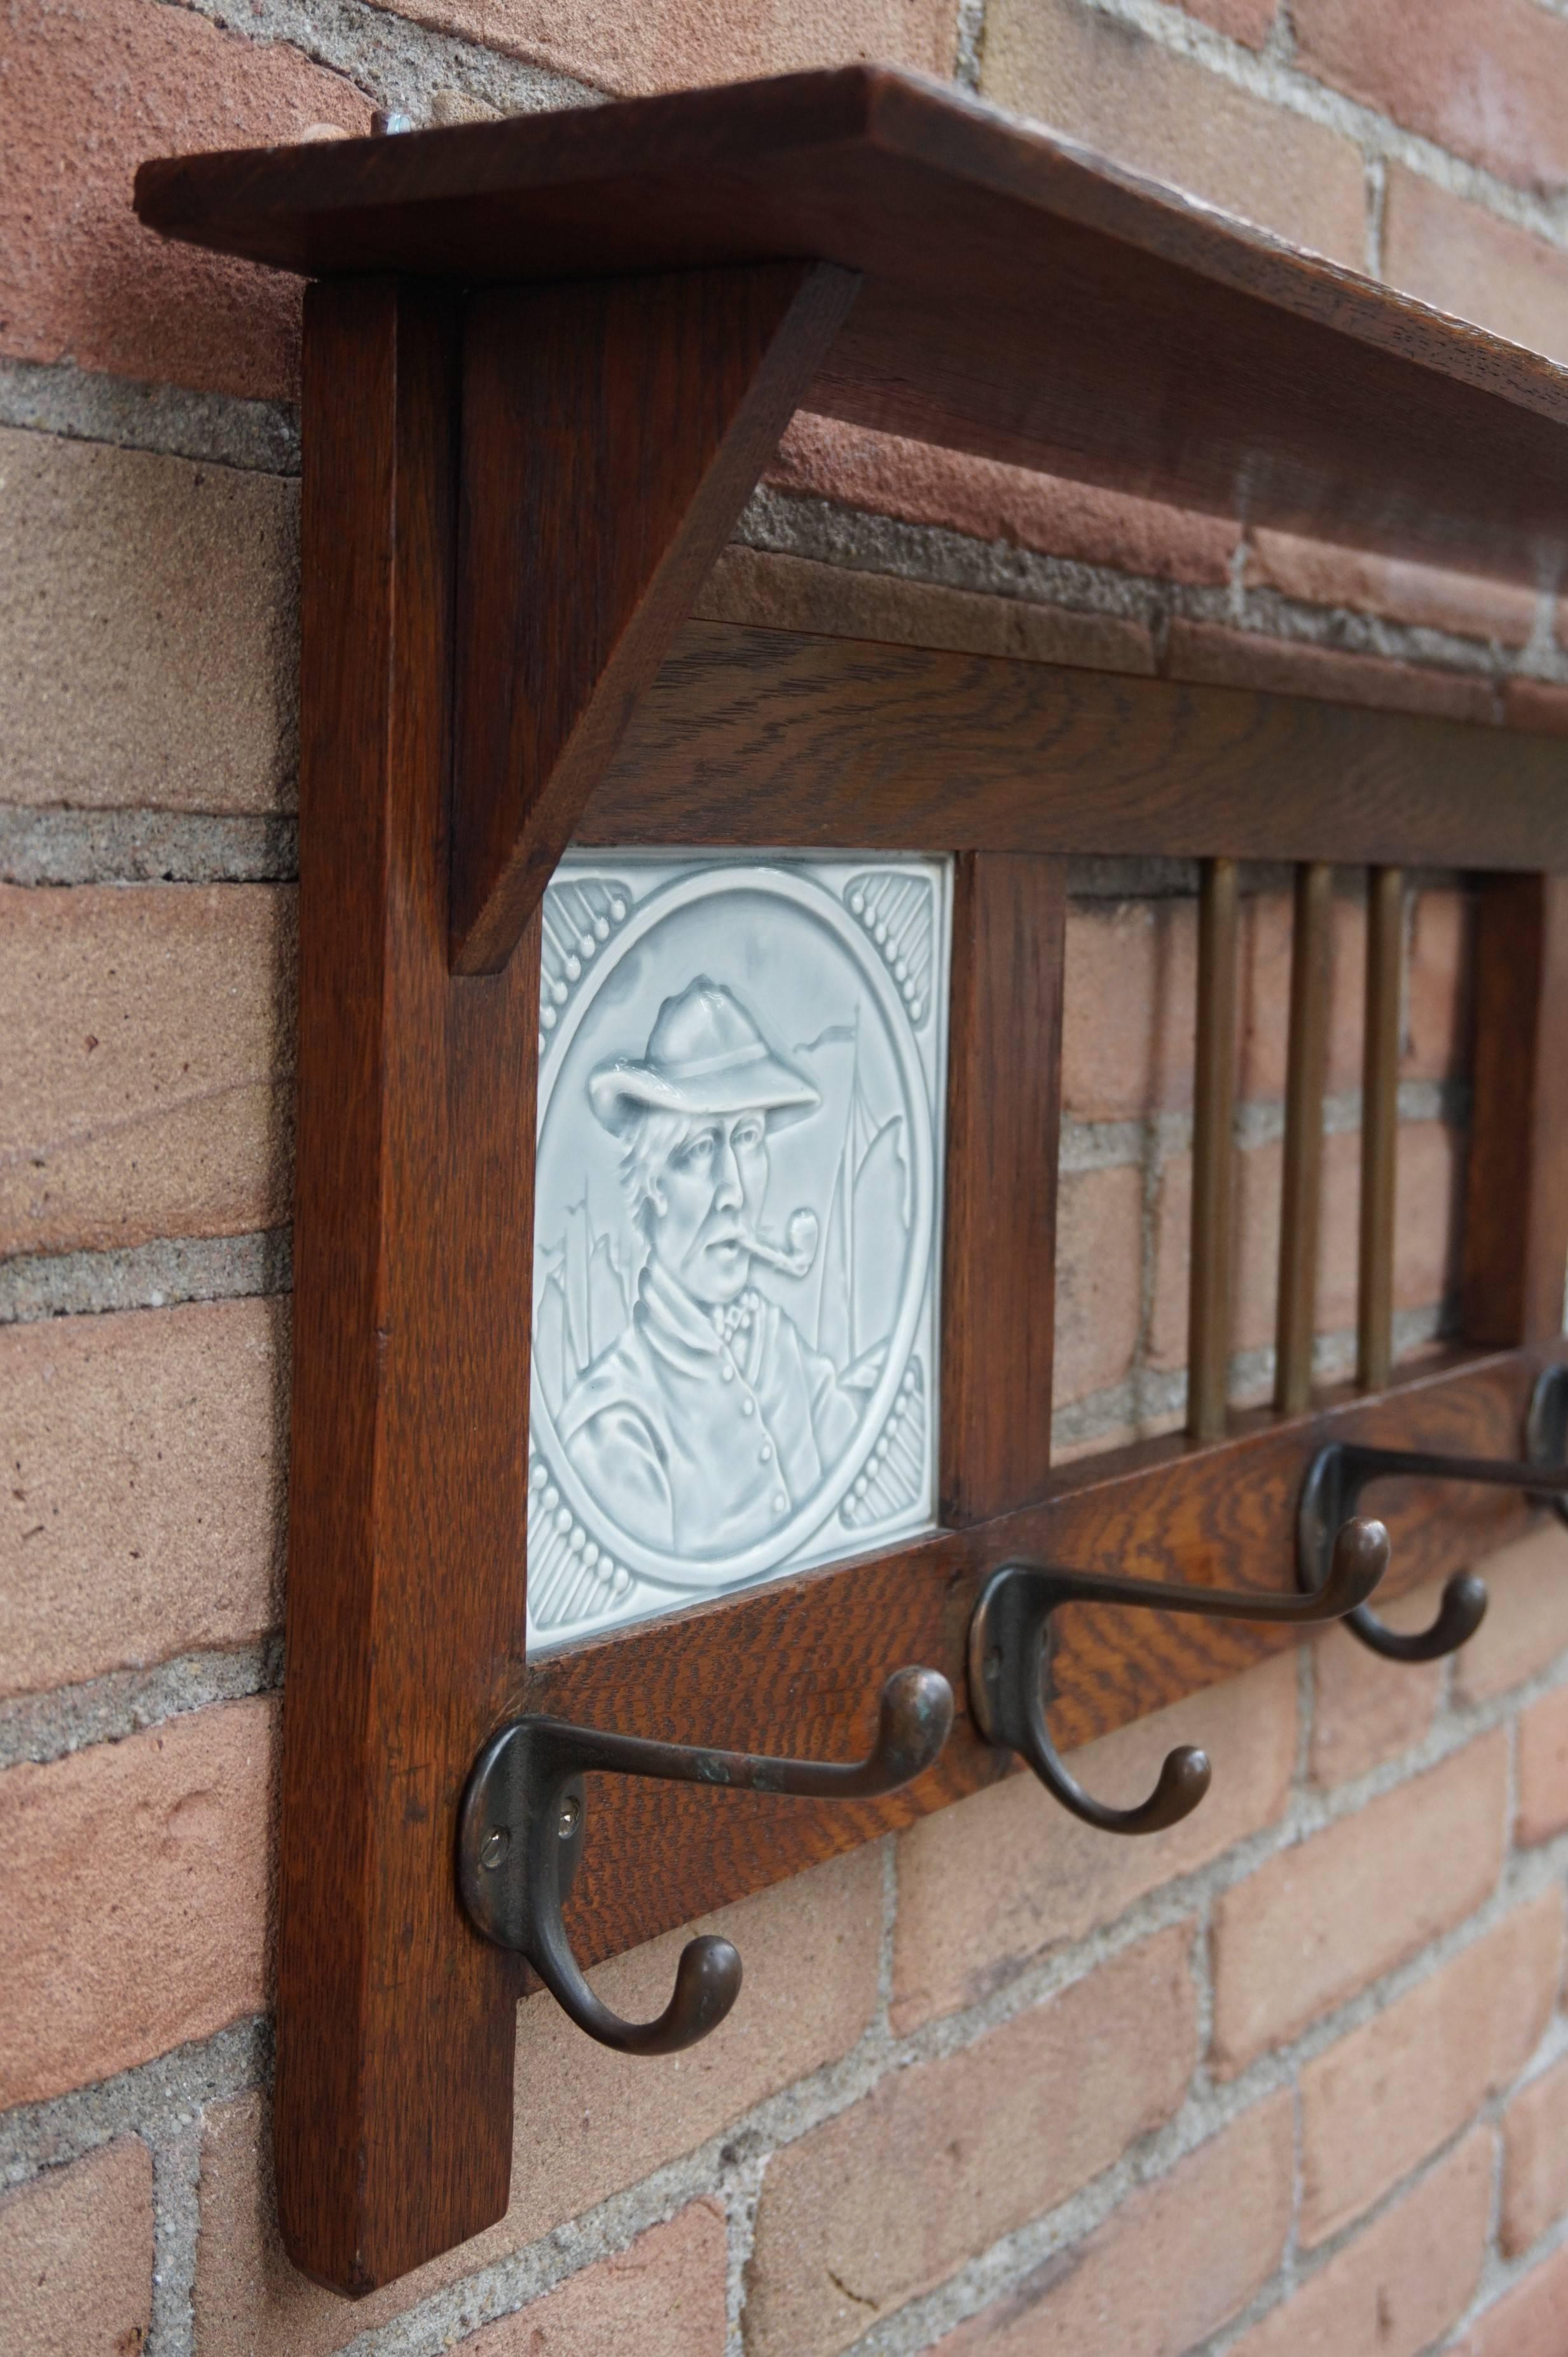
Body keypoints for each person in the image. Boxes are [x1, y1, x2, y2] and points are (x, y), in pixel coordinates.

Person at [557, 976, 869, 1556]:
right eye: (700, 1150)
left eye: (747, 1138)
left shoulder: (780, 1347)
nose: (734, 1191)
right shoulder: (615, 1427)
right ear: (652, 1187)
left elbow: (867, 1493)